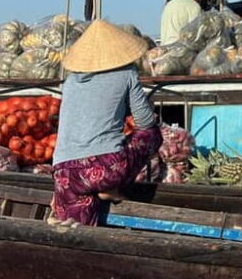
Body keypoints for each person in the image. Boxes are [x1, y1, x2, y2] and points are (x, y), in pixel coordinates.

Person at [51, 20, 161, 226]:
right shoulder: (126, 73)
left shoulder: (71, 81)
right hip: (105, 169)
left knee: (79, 227)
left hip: (64, 174)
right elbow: (145, 122)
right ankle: (110, 188)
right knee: (152, 134)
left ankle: (92, 197)